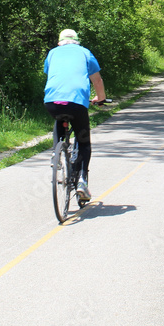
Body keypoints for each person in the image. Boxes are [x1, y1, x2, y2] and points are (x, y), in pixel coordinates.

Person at [43, 28, 106, 201]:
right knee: (83, 140)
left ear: (59, 42)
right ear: (77, 41)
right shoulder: (85, 53)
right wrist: (101, 99)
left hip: (52, 101)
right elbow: (97, 80)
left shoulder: (52, 53)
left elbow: (52, 74)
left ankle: (57, 154)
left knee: (59, 117)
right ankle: (82, 182)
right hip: (77, 102)